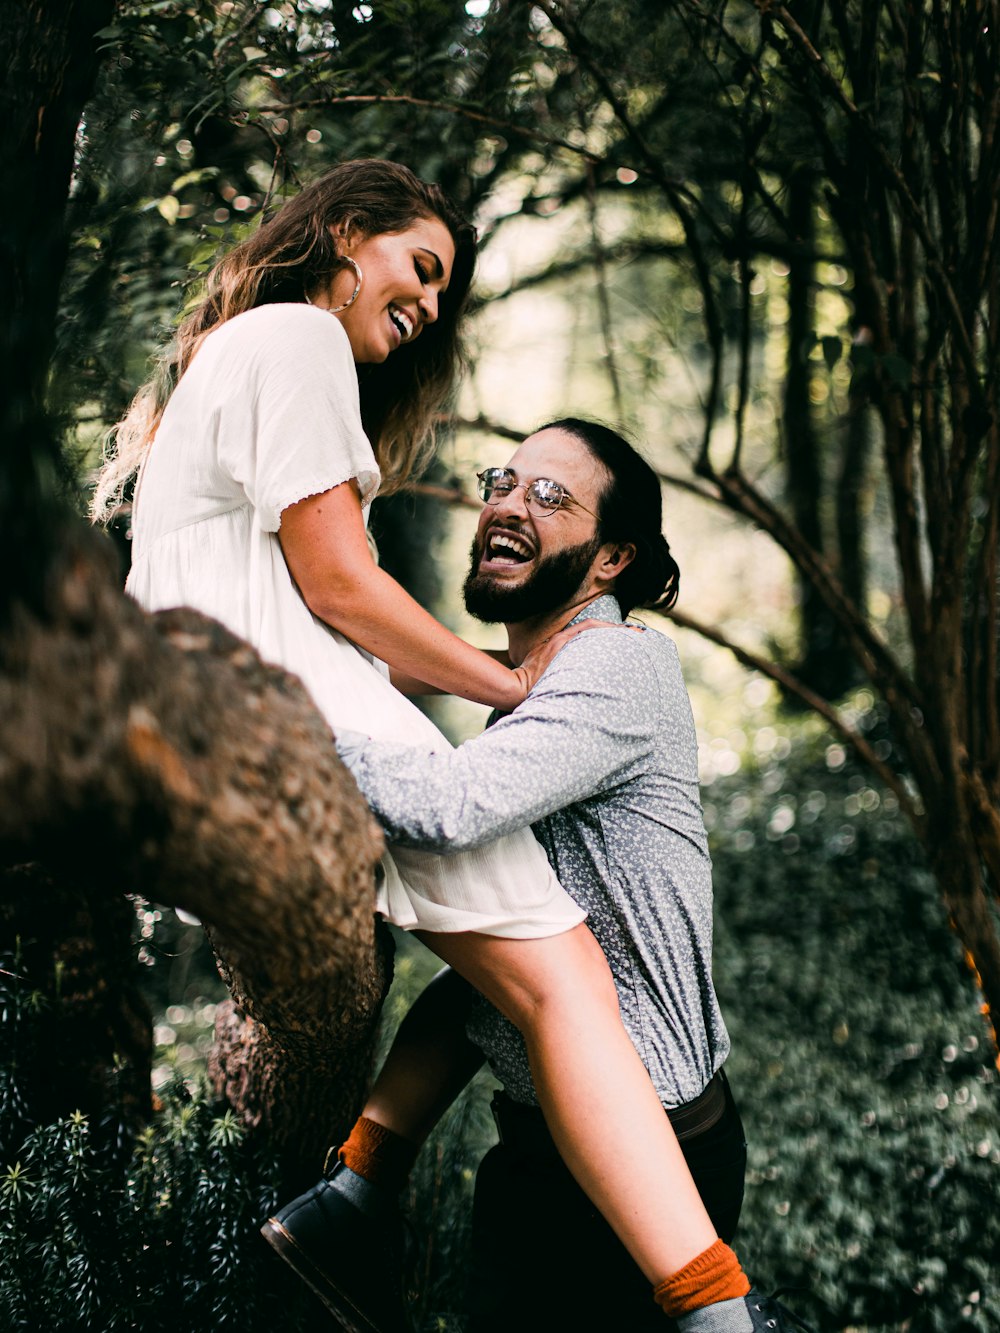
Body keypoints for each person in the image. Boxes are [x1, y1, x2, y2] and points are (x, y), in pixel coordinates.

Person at [92, 160, 792, 1333]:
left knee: (532, 975)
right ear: (346, 233)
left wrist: (466, 690)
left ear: (612, 558)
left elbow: (351, 623)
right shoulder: (301, 343)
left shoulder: (616, 663)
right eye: (417, 266)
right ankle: (720, 1313)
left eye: (550, 498)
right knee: (553, 977)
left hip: (659, 1126)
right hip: (281, 706)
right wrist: (492, 679)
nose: (422, 304)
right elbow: (342, 585)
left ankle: (358, 1194)